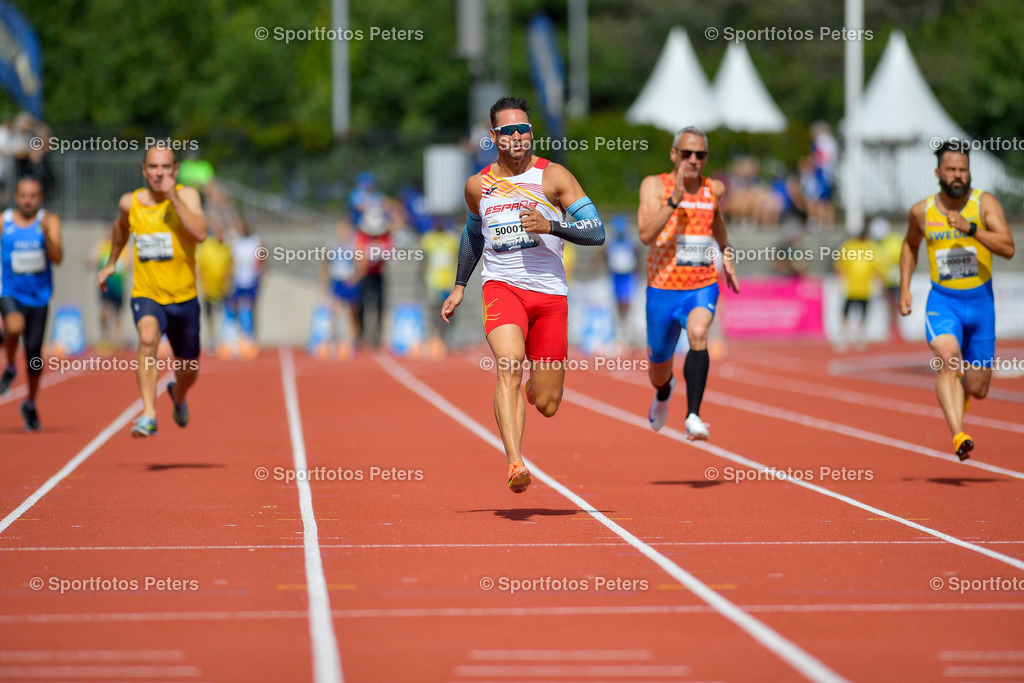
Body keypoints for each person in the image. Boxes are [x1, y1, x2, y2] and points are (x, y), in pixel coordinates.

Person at [441, 96, 605, 494]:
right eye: (508, 131)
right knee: (509, 364)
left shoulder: (554, 177)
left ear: (531, 133)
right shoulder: (478, 185)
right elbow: (473, 234)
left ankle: (538, 386)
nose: (517, 137)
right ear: (493, 136)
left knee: (547, 403)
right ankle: (515, 461)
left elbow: (596, 231)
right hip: (502, 287)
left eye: (523, 129)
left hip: (549, 297)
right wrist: (460, 286)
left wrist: (552, 226)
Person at [900, 140, 1015, 460]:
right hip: (944, 302)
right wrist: (905, 287)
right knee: (948, 359)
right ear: (937, 172)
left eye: (963, 169)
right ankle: (958, 435)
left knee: (978, 388)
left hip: (981, 305)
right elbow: (910, 245)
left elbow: (1008, 248)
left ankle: (960, 393)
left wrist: (971, 229)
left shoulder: (984, 204)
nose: (958, 175)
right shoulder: (922, 211)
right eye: (951, 169)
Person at [98, 145, 208, 437]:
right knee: (147, 339)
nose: (159, 173)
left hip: (184, 298)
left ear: (175, 170)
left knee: (188, 371)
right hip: (147, 294)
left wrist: (174, 199)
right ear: (144, 170)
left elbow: (200, 233)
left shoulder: (187, 196)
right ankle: (148, 414)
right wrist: (111, 262)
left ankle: (178, 395)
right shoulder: (130, 203)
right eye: (154, 167)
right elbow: (121, 228)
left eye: (165, 167)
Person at [640, 127, 739, 440]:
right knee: (658, 371)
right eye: (687, 153)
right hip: (662, 290)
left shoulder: (714, 189)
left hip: (700, 284)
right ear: (674, 154)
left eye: (700, 154)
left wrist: (726, 251)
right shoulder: (655, 185)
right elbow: (645, 234)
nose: (693, 160)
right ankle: (664, 390)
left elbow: (716, 218)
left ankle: (693, 415)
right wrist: (673, 202)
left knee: (698, 332)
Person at [0, 177, 63, 430]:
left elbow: (57, 258)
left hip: (39, 297)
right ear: (16, 197)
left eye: (33, 196)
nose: (28, 201)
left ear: (40, 198)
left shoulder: (49, 221)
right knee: (14, 326)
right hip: (9, 291)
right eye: (23, 196)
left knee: (34, 357)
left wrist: (47, 235)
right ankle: (10, 366)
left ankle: (30, 403)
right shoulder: (4, 222)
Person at [835, 226, 880, 351]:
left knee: (863, 314)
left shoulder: (871, 247)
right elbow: (841, 265)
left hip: (865, 288)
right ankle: (844, 337)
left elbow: (876, 266)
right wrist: (839, 281)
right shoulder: (849, 246)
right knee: (846, 313)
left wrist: (878, 282)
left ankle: (860, 337)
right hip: (850, 287)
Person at [91, 234, 130, 353]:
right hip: (105, 286)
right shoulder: (102, 246)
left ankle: (116, 341)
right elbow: (92, 260)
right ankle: (105, 339)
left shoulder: (124, 248)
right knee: (104, 312)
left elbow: (130, 263)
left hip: (118, 287)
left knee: (117, 314)